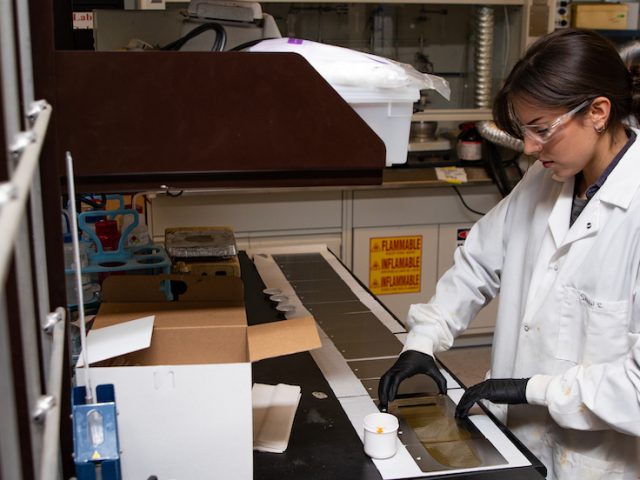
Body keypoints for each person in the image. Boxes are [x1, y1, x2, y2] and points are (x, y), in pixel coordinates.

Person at [378, 28, 640, 480]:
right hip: (514, 439)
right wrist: (425, 339)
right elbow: (478, 261)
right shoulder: (547, 178)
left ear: (598, 112)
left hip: (594, 460)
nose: (531, 148)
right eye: (525, 130)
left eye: (541, 130)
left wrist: (532, 389)